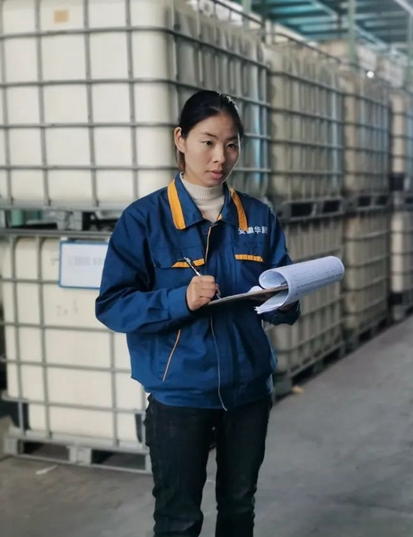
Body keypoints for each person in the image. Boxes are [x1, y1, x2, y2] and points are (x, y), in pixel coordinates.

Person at [95, 90, 300, 537]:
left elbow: (283, 297)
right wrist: (179, 300)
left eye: (231, 145)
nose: (220, 157)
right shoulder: (144, 219)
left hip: (248, 391)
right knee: (179, 518)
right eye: (208, 142)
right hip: (179, 395)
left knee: (239, 507)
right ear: (180, 140)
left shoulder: (258, 217)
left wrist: (286, 301)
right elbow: (112, 305)